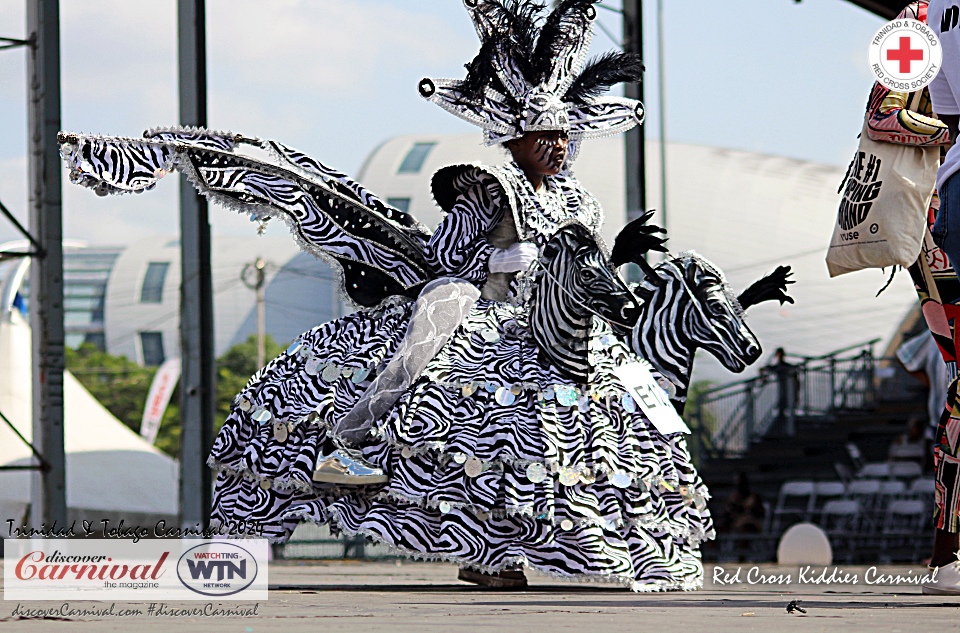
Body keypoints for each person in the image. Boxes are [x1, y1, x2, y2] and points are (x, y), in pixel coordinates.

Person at [204, 0, 712, 592]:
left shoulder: (579, 199)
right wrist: (494, 260)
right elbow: (444, 256)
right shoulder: (489, 189)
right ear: (513, 138)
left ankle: (516, 548)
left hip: (545, 319)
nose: (555, 145)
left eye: (561, 134)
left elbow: (586, 264)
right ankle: (350, 442)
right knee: (423, 354)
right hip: (475, 303)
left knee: (602, 403)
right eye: (541, 134)